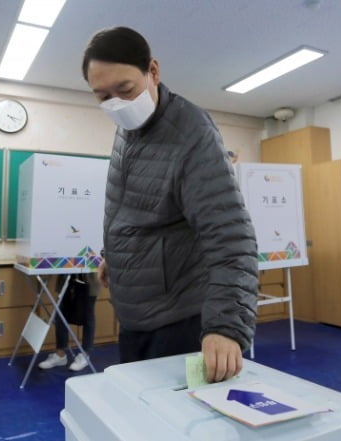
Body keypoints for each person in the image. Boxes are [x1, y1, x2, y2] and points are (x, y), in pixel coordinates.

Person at [82, 27, 259, 383]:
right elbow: (132, 205)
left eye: (125, 90)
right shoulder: (127, 128)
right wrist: (114, 256)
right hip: (134, 315)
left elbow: (231, 236)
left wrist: (225, 327)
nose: (115, 103)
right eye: (102, 96)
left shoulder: (190, 132)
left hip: (180, 321)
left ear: (154, 71)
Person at [38, 272, 98, 371]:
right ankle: (60, 355)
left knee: (87, 315)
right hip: (66, 275)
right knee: (60, 313)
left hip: (89, 276)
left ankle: (85, 355)